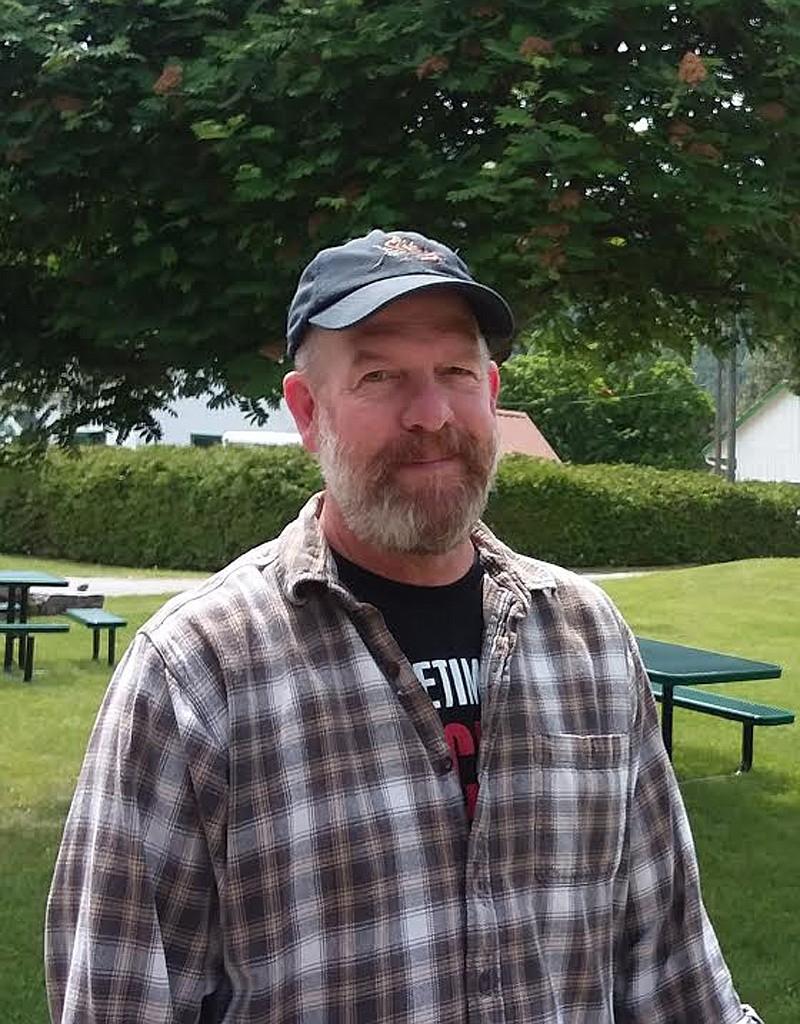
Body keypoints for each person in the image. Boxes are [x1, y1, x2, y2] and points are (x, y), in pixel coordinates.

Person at [45, 229, 763, 1023]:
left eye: (455, 372)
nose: (431, 416)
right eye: (380, 375)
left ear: (491, 392)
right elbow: (118, 996)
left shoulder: (587, 642)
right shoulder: (196, 671)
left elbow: (674, 979)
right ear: (308, 411)